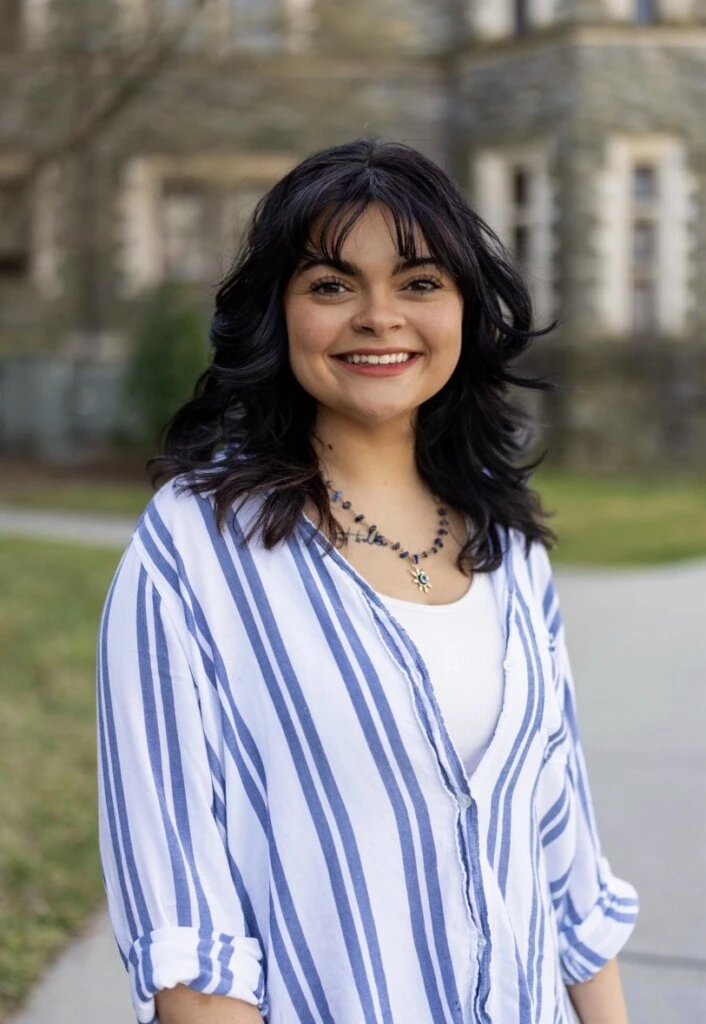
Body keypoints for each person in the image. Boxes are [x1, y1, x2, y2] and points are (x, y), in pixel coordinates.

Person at [96, 137, 638, 1024]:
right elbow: (189, 940)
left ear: (466, 310)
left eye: (420, 282)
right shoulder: (194, 549)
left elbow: (565, 863)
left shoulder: (509, 545)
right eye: (332, 285)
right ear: (280, 315)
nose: (379, 316)